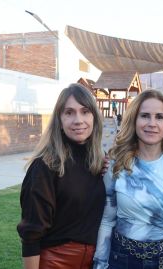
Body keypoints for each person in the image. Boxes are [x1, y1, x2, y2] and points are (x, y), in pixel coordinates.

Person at [93, 89, 163, 269]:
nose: (152, 123)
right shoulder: (116, 164)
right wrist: (100, 263)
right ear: (134, 120)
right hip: (122, 258)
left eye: (159, 117)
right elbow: (106, 221)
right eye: (145, 116)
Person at [17, 83, 106, 269]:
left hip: (95, 260)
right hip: (56, 262)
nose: (78, 120)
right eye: (69, 112)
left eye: (85, 111)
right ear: (59, 119)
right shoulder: (45, 166)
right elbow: (32, 233)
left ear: (94, 117)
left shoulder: (98, 162)